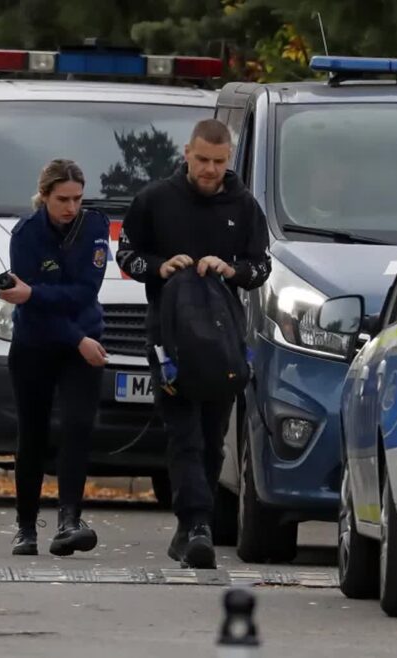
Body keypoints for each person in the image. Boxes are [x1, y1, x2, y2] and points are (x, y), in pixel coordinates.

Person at [116, 119, 271, 569]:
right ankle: (198, 523)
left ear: (229, 160)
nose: (209, 170)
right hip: (168, 337)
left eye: (218, 162)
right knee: (182, 432)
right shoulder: (154, 200)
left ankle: (190, 527)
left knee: (211, 438)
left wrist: (231, 269)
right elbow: (127, 255)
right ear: (187, 153)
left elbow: (261, 266)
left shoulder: (244, 206)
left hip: (222, 339)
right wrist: (161, 267)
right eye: (202, 159)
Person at [0, 158, 110, 557]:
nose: (70, 207)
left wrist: (37, 296)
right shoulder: (26, 234)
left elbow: (83, 291)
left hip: (83, 342)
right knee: (32, 433)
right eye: (62, 199)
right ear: (44, 196)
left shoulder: (94, 227)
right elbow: (31, 308)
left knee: (79, 425)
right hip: (36, 344)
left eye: (77, 198)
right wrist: (72, 333)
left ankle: (69, 519)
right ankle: (25, 527)